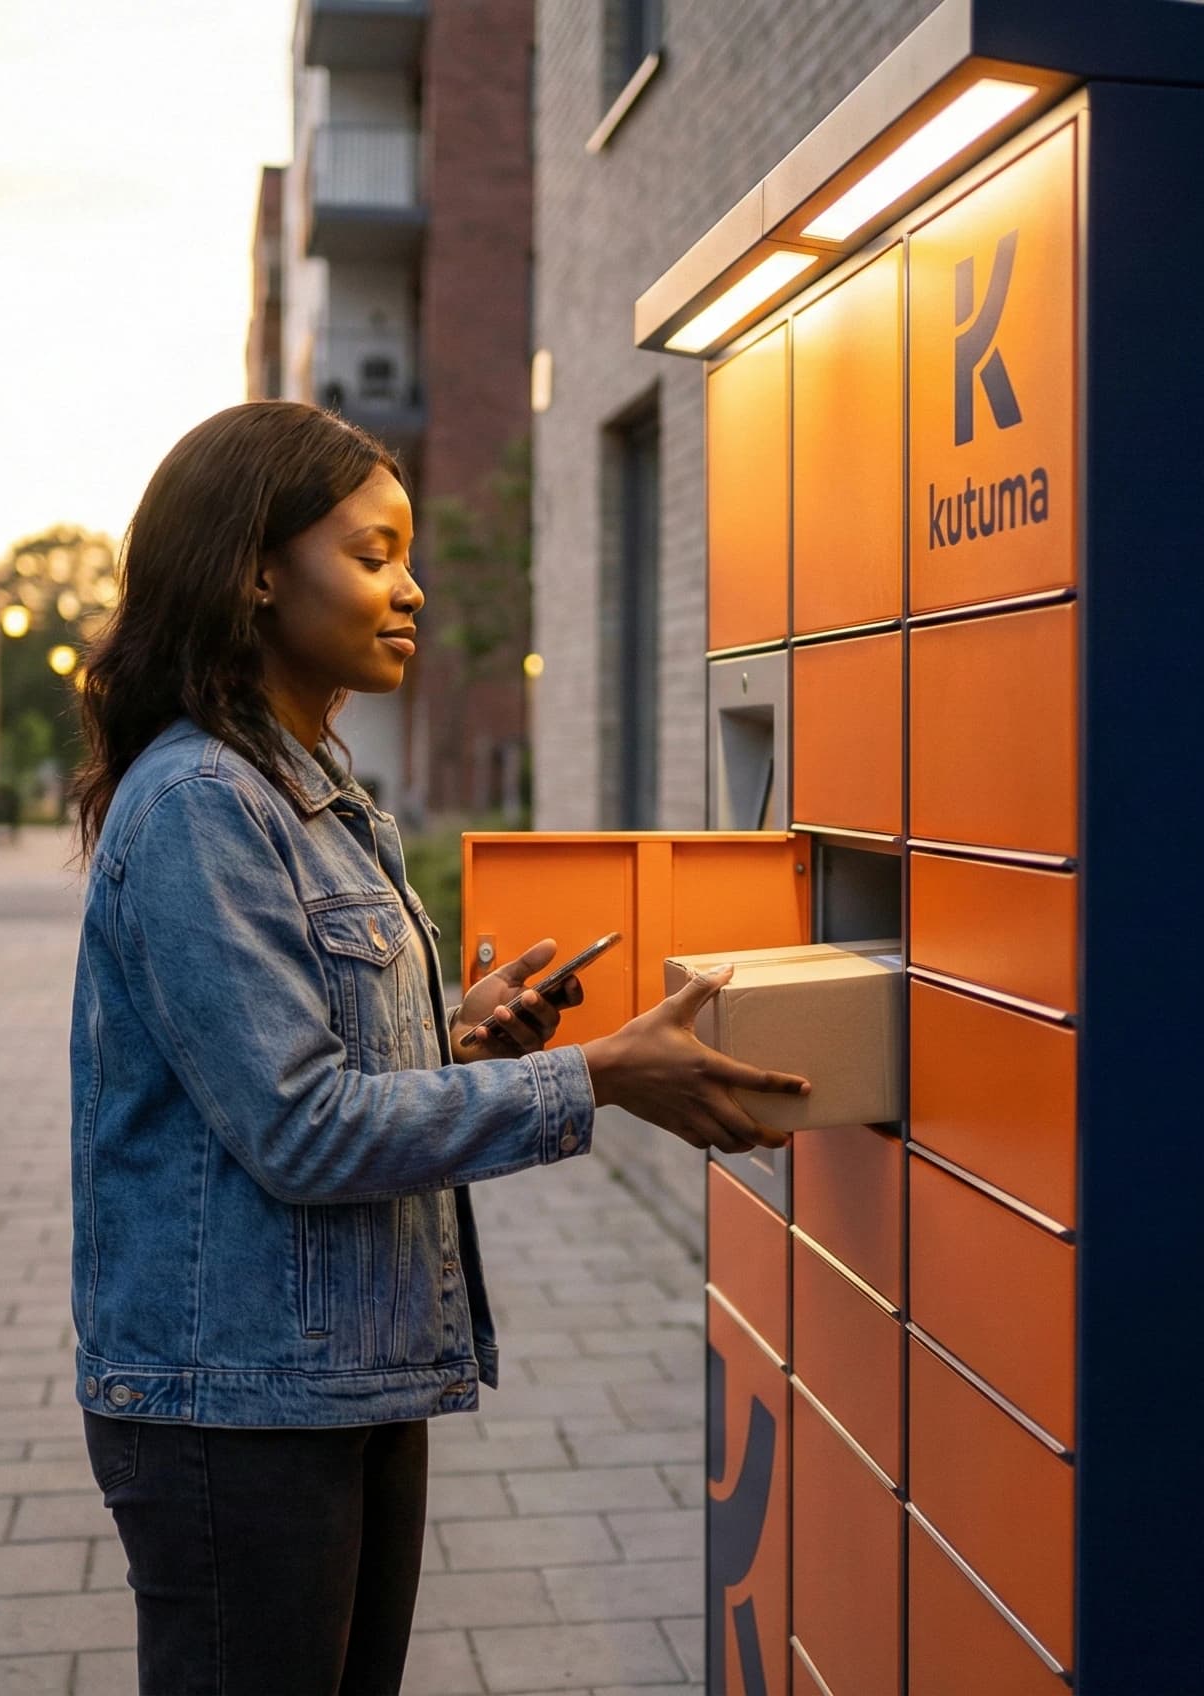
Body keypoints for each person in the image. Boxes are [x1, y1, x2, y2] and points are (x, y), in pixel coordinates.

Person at [68, 400, 811, 1696]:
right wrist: (593, 1077)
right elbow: (299, 1128)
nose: (411, 589)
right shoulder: (201, 801)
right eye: (373, 554)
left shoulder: (317, 793)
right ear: (255, 569)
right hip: (235, 1404)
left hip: (336, 1382)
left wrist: (455, 1038)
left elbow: (309, 1066)